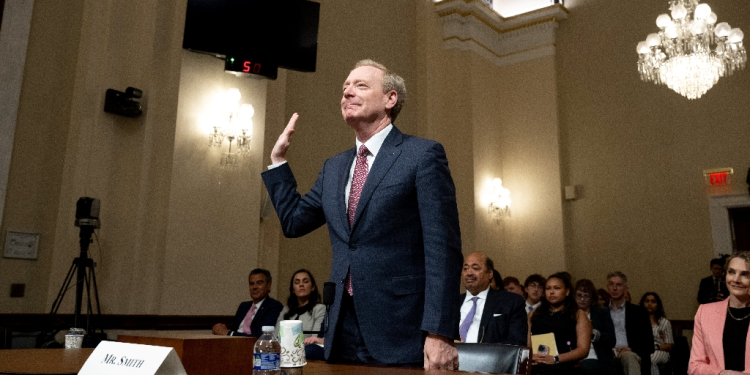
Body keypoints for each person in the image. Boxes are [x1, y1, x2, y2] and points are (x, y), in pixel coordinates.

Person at [261, 59, 462, 369]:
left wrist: (440, 332)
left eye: (360, 86)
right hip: (341, 328)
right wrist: (278, 162)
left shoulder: (422, 155)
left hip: (401, 329)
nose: (347, 93)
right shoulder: (334, 167)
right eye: (344, 88)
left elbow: (443, 250)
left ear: (390, 99)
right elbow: (293, 221)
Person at [689, 251, 750, 375]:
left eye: (745, 274)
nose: (736, 279)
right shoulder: (705, 312)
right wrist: (722, 373)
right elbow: (694, 366)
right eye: (731, 272)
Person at [457, 252, 527, 345]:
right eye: (465, 269)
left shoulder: (511, 302)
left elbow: (516, 342)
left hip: (490, 358)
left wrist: (477, 353)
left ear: (490, 273)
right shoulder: (452, 303)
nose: (469, 273)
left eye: (475, 268)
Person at [528, 272, 592, 374]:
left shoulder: (578, 314)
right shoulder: (534, 313)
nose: (552, 292)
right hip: (538, 365)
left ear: (567, 291)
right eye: (548, 288)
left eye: (556, 288)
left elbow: (583, 349)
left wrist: (555, 359)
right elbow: (527, 343)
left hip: (566, 366)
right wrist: (531, 355)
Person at [212, 269, 283, 337]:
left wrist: (228, 333)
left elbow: (261, 336)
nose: (254, 287)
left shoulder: (274, 306)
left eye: (259, 283)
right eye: (251, 284)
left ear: (269, 286)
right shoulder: (243, 306)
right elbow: (235, 330)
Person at [607, 271, 654, 375]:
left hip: (631, 352)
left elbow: (649, 344)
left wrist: (630, 349)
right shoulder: (601, 311)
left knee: (628, 357)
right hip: (608, 352)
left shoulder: (638, 312)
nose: (614, 288)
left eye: (618, 285)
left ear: (625, 288)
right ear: (607, 288)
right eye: (611, 284)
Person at [576, 279, 617, 375]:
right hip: (573, 355)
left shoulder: (601, 313)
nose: (582, 299)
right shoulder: (568, 314)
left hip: (596, 355)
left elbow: (611, 340)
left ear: (592, 298)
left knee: (589, 366)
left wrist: (593, 333)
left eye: (586, 296)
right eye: (579, 295)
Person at [275, 269, 325, 338]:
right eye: (297, 282)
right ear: (293, 289)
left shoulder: (319, 309)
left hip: (308, 348)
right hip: (282, 348)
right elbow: (275, 337)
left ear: (313, 287)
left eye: (305, 282)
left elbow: (315, 339)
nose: (301, 285)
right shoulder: (286, 310)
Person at [639, 292, 673, 375]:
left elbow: (669, 345)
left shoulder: (664, 322)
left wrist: (655, 346)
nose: (649, 304)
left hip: (660, 351)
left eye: (653, 301)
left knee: (649, 360)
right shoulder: (638, 321)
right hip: (642, 351)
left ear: (657, 305)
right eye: (647, 301)